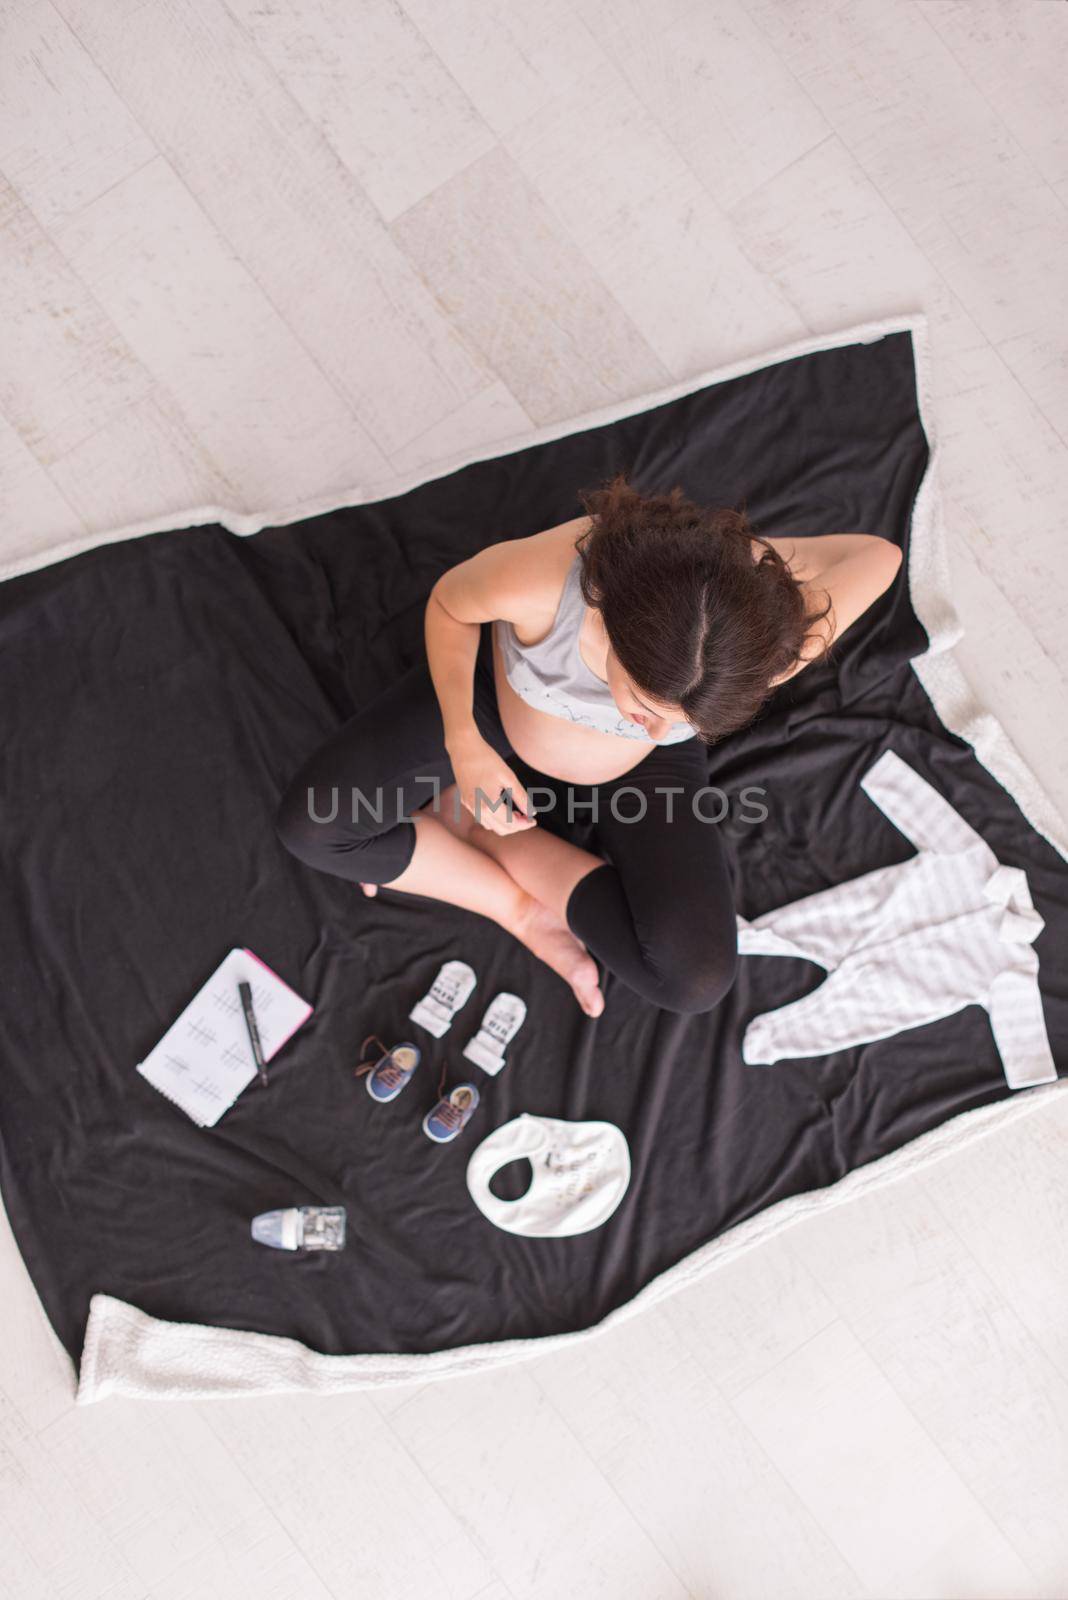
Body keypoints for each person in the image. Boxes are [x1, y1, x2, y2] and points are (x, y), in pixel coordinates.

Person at [275, 475, 903, 1019]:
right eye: (642, 705)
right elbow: (449, 605)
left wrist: (747, 570)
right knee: (314, 828)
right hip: (499, 705)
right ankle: (513, 905)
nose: (655, 728)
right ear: (610, 623)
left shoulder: (764, 654)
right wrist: (464, 743)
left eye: (687, 720)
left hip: (642, 774)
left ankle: (488, 838)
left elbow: (879, 555)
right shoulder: (544, 583)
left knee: (695, 980)